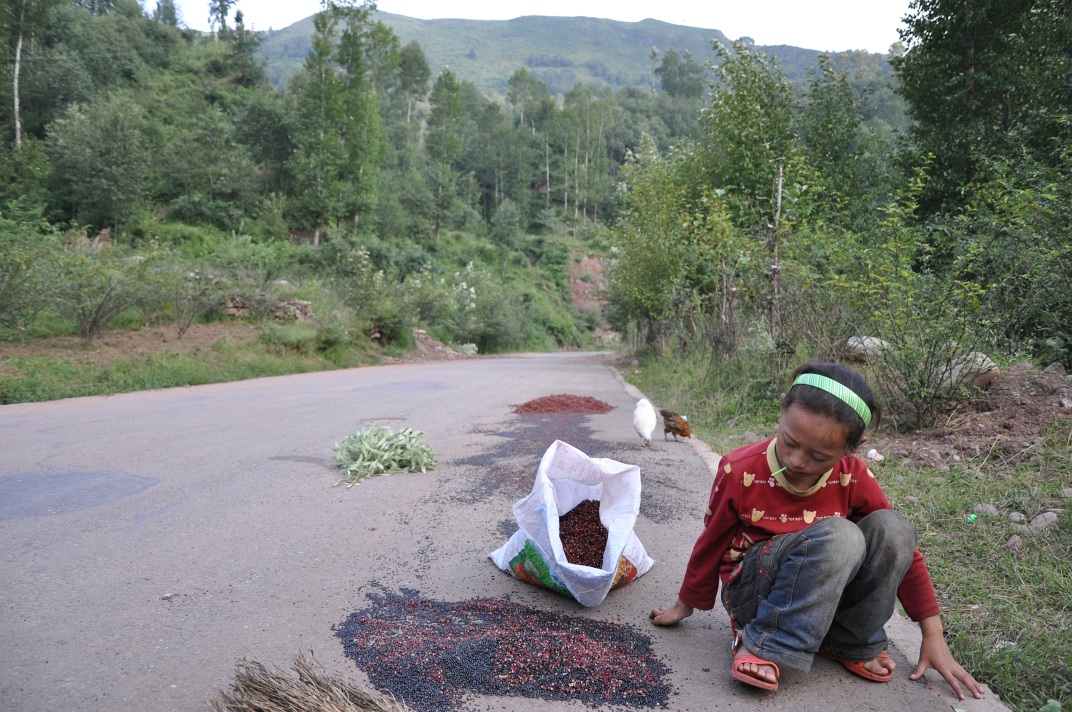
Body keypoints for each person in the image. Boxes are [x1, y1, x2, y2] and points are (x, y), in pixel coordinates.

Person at [650, 362, 985, 699]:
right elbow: (712, 541)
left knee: (894, 528)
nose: (797, 461)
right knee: (841, 534)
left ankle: (848, 641)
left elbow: (901, 552)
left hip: (823, 597)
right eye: (789, 442)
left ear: (852, 447)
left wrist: (933, 635)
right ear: (782, 408)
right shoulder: (740, 471)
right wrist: (685, 604)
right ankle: (765, 643)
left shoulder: (852, 476)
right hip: (756, 595)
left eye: (818, 456)